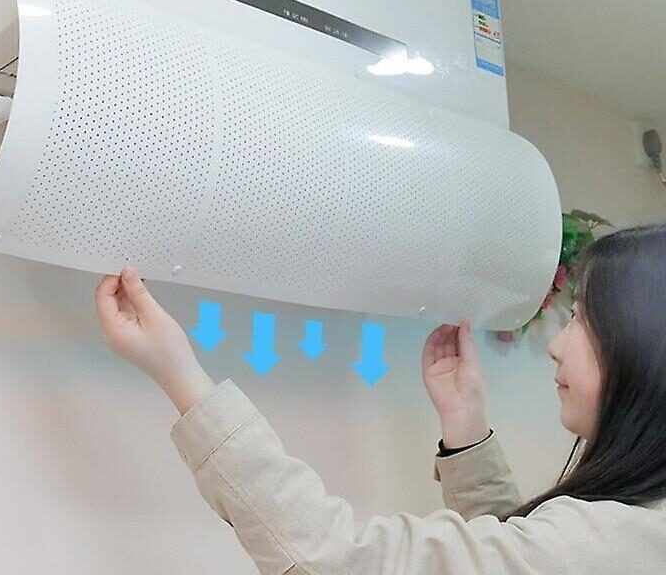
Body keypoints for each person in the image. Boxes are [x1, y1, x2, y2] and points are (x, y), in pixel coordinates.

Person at [94, 225, 666, 573]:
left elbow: (334, 561)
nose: (558, 345)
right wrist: (466, 430)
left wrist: (182, 376)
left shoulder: (611, 543)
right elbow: (511, 556)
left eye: (581, 318)